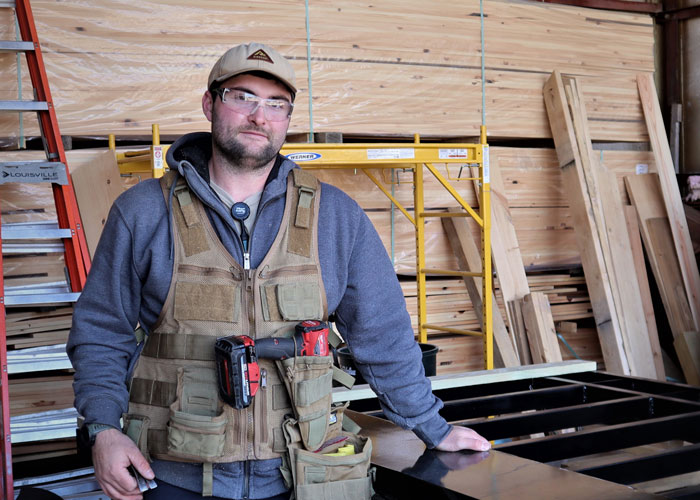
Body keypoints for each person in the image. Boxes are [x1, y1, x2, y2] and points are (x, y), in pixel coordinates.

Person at [67, 42, 490, 500]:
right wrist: (104, 430)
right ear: (210, 103)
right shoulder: (144, 212)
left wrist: (432, 426)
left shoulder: (335, 218)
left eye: (275, 104)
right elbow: (100, 332)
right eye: (242, 96)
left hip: (300, 476)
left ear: (288, 119)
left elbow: (383, 335)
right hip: (176, 477)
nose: (258, 115)